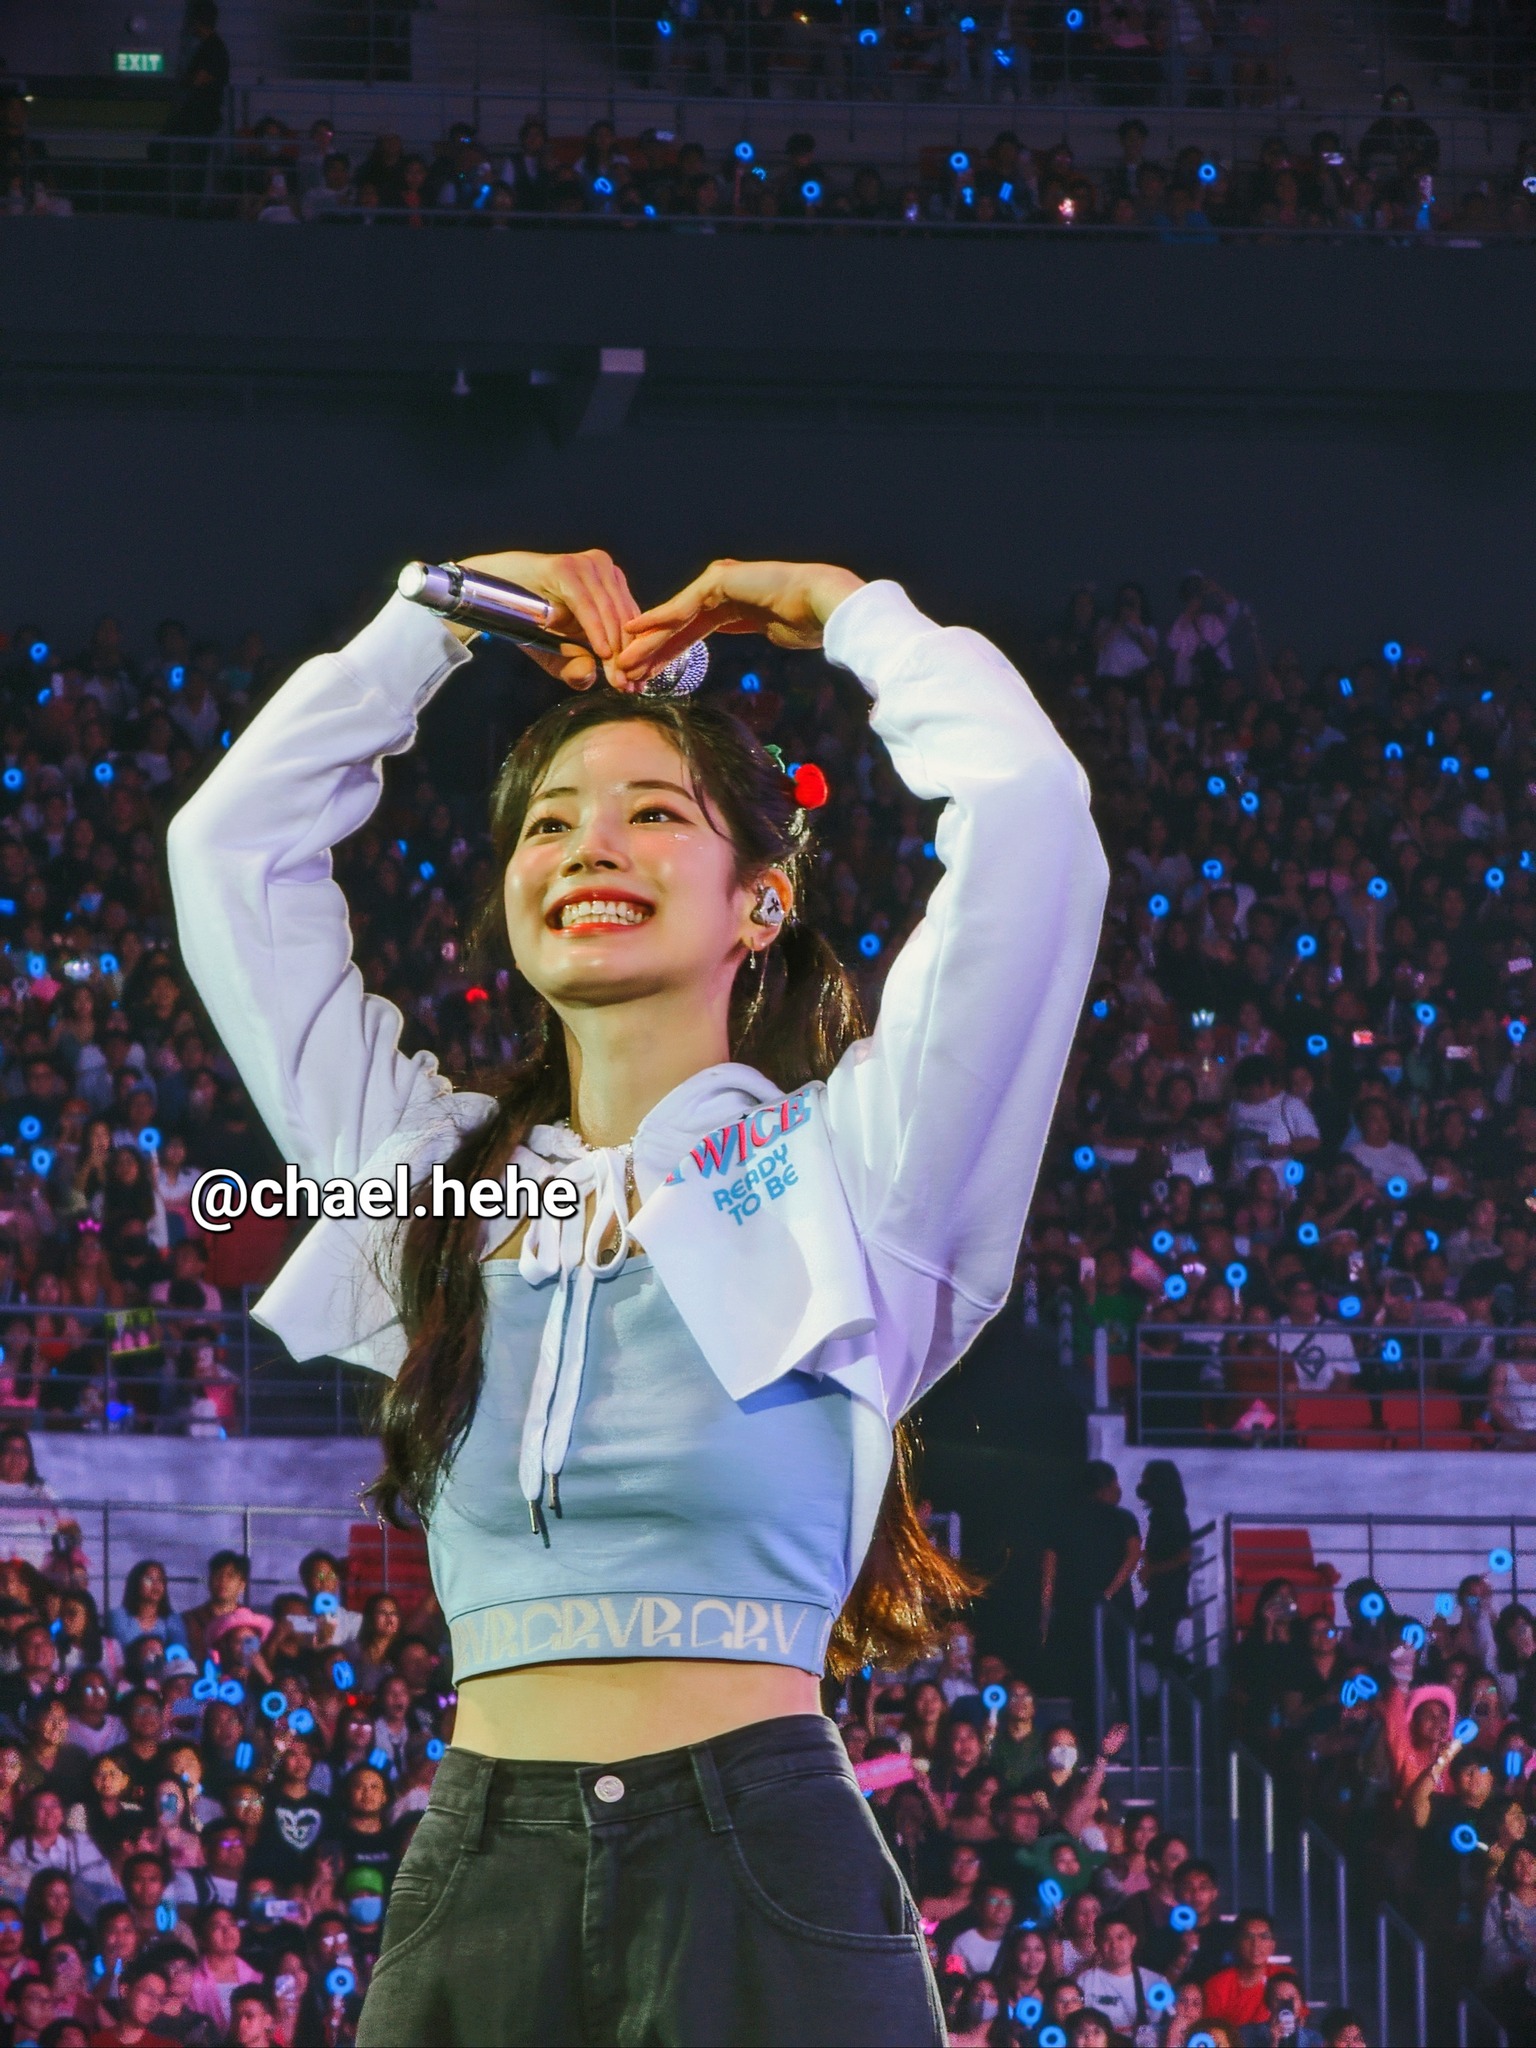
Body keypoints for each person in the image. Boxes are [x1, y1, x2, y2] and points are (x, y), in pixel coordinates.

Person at [167, 549, 1107, 2046]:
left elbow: (1034, 823)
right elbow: (229, 853)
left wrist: (848, 614)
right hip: (480, 1872)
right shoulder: (425, 1181)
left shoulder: (860, 1174)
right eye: (549, 821)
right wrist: (437, 615)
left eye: (654, 813)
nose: (589, 845)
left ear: (762, 901)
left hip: (765, 1873)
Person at [1074, 1909, 1173, 2032]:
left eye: (1120, 1937)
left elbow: (1174, 2021)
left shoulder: (1156, 1982)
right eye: (1107, 1939)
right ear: (1097, 1944)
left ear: (1133, 1940)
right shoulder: (1084, 1982)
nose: (1114, 1945)